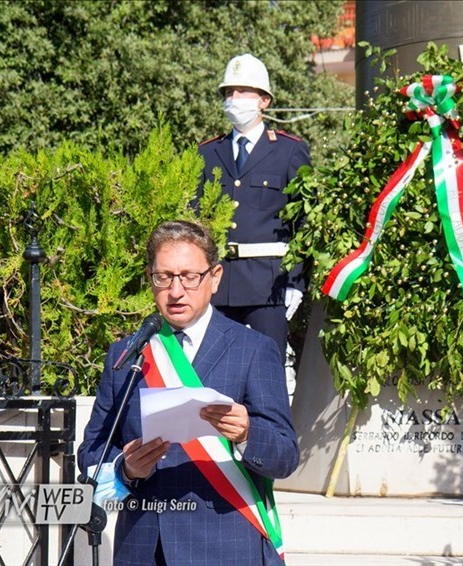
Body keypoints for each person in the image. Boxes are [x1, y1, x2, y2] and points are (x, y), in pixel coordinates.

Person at [78, 220, 299, 565]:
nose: (176, 291)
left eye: (189, 276)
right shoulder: (128, 354)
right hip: (142, 548)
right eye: (164, 277)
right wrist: (126, 468)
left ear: (215, 278)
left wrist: (246, 434)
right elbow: (91, 452)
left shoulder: (252, 349)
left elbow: (285, 456)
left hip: (225, 546)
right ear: (150, 277)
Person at [197, 53, 311, 366]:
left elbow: (304, 221)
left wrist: (296, 282)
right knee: (215, 374)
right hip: (219, 285)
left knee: (268, 374)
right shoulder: (208, 152)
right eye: (229, 93)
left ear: (264, 101)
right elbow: (197, 220)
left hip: (268, 286)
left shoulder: (289, 150)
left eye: (243, 92)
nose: (234, 99)